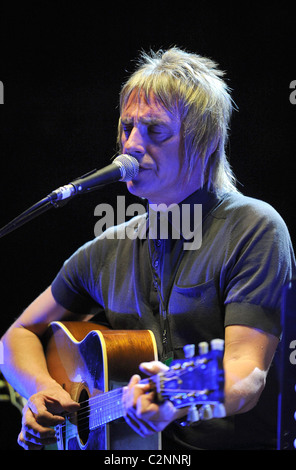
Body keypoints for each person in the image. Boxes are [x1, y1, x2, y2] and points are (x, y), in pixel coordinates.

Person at [1, 47, 295, 450]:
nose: (133, 145)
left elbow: (246, 372)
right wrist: (43, 390)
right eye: (127, 128)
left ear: (205, 141)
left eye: (155, 130)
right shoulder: (106, 249)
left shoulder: (253, 227)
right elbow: (16, 336)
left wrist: (176, 397)